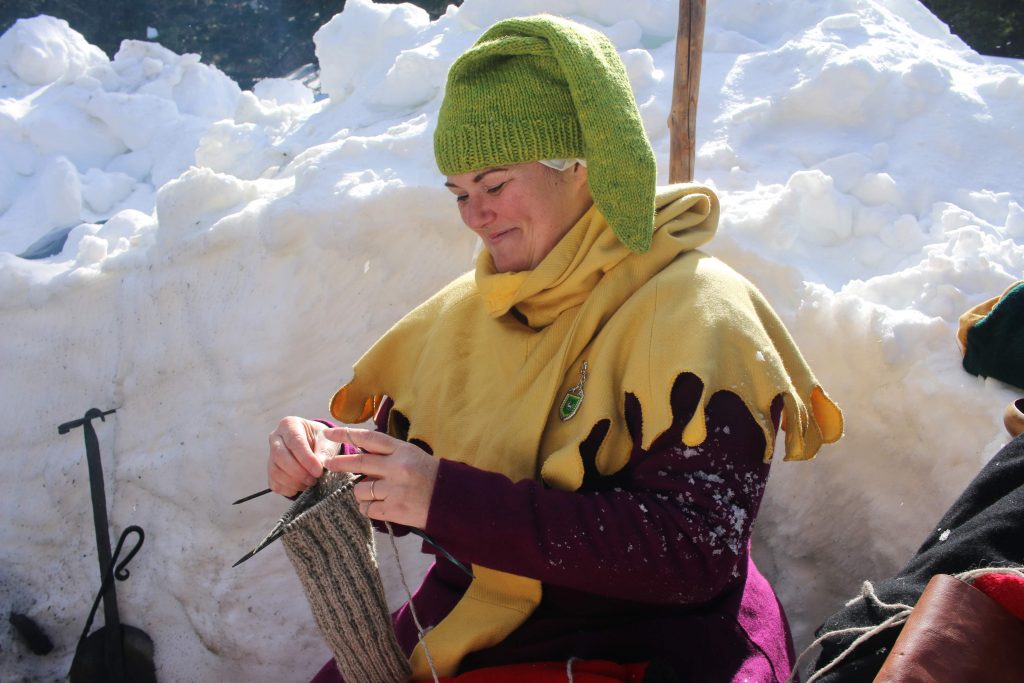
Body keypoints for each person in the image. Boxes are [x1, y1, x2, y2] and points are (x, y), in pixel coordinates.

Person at [266, 14, 843, 683]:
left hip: (654, 636)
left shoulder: (696, 313)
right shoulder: (464, 315)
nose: (474, 215)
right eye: (459, 192)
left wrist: (446, 498)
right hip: (486, 618)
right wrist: (331, 460)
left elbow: (694, 550)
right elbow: (413, 484)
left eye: (494, 183)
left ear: (580, 167)